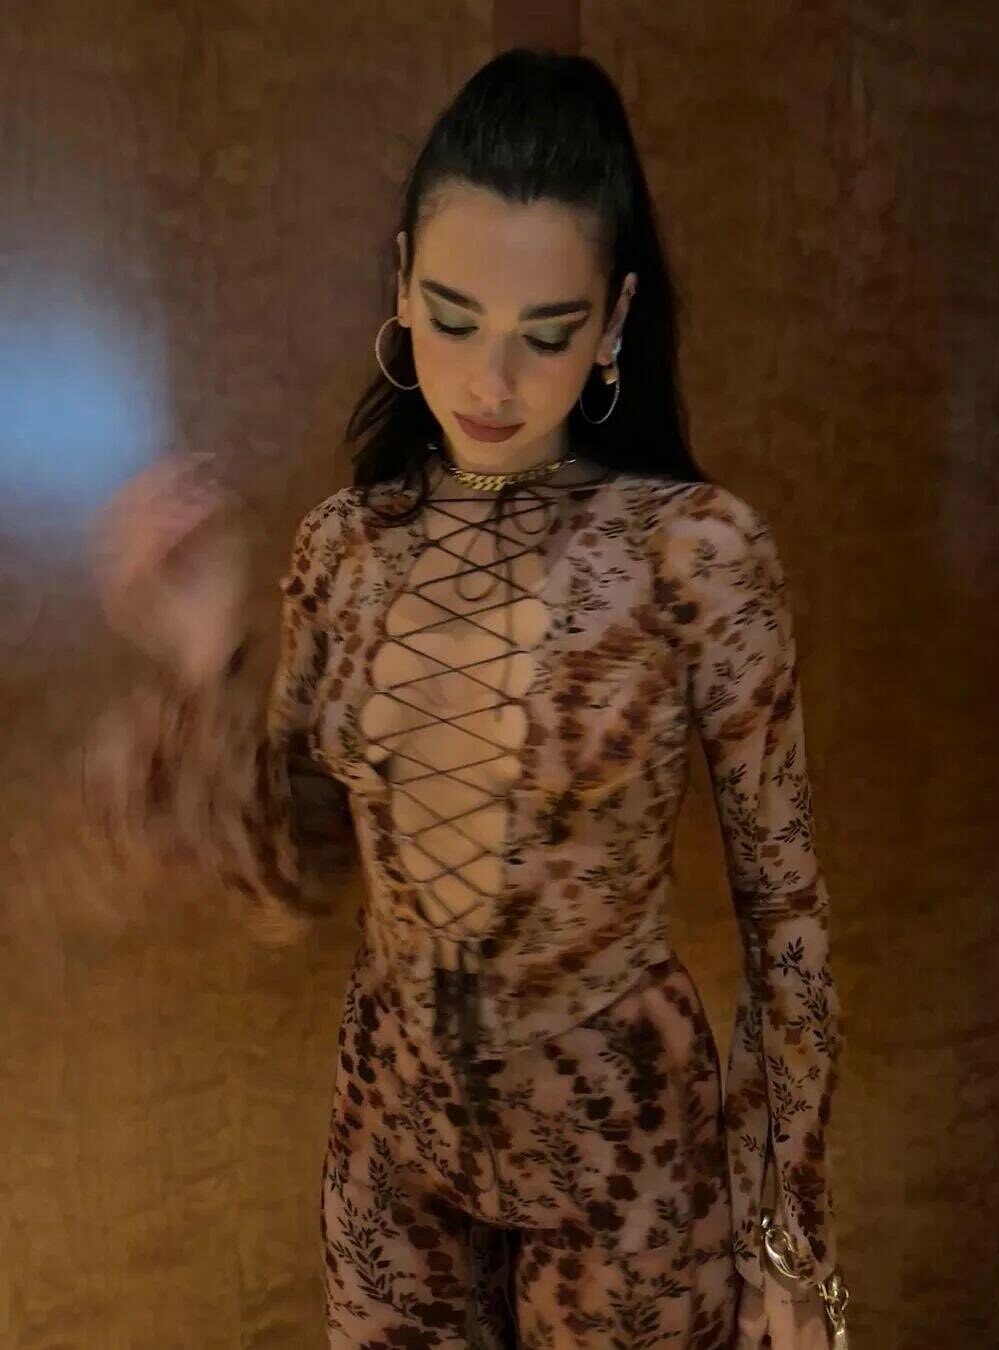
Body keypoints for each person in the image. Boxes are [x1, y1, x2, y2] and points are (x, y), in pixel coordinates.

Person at [84, 47, 847, 1350]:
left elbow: (787, 919)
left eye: (544, 333)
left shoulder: (697, 555)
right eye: (451, 317)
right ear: (401, 285)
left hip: (626, 1163)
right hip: (392, 1149)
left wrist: (791, 1247)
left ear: (613, 320)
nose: (491, 382)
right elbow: (291, 882)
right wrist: (205, 657)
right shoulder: (345, 548)